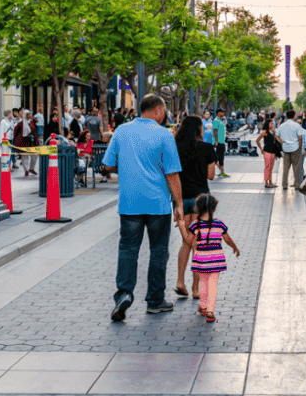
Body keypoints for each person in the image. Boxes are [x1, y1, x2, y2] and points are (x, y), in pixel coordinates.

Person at [102, 93, 184, 320]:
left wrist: (127, 169)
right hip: (158, 204)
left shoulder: (121, 131)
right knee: (158, 251)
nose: (165, 115)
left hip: (129, 203)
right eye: (164, 111)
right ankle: (155, 300)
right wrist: (179, 204)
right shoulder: (164, 135)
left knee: (128, 250)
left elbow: (108, 165)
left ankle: (123, 294)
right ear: (157, 110)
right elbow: (172, 174)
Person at [179, 194, 240, 323]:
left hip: (201, 259)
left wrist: (182, 226)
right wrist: (234, 247)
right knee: (213, 285)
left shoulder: (195, 225)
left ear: (198, 208)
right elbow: (227, 239)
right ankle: (210, 311)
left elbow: (188, 241)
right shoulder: (219, 224)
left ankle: (203, 306)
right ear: (214, 208)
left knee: (203, 282)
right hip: (216, 259)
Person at [173, 115, 216, 299]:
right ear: (199, 128)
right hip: (201, 199)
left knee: (186, 241)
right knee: (198, 243)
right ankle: (195, 289)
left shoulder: (175, 148)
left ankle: (180, 281)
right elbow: (211, 175)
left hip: (181, 199)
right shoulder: (207, 148)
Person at [276, 109, 306, 190]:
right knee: (296, 167)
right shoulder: (297, 125)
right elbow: (300, 137)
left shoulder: (282, 125)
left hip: (286, 148)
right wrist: (300, 146)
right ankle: (297, 184)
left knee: (286, 167)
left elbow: (276, 135)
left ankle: (284, 185)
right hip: (295, 148)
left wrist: (281, 142)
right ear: (294, 116)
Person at [257, 118, 281, 189]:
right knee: (267, 167)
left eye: (272, 123)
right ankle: (266, 182)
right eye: (271, 123)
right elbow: (257, 140)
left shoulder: (273, 131)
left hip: (273, 151)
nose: (272, 125)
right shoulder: (265, 132)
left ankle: (270, 182)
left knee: (271, 167)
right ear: (268, 124)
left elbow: (277, 138)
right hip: (267, 151)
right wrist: (261, 149)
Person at [14, 110, 39, 176]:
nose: (28, 116)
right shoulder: (20, 124)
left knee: (34, 156)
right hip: (24, 142)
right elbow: (16, 132)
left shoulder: (31, 123)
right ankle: (26, 170)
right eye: (27, 114)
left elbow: (34, 131)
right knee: (25, 156)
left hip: (32, 142)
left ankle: (32, 168)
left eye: (29, 114)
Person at [212, 112, 229, 178]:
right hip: (218, 142)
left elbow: (222, 130)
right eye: (222, 112)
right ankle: (221, 170)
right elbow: (215, 131)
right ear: (219, 113)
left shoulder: (221, 121)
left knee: (221, 157)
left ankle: (222, 171)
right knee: (217, 157)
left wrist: (226, 132)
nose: (223, 114)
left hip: (222, 141)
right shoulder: (216, 121)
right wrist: (216, 141)